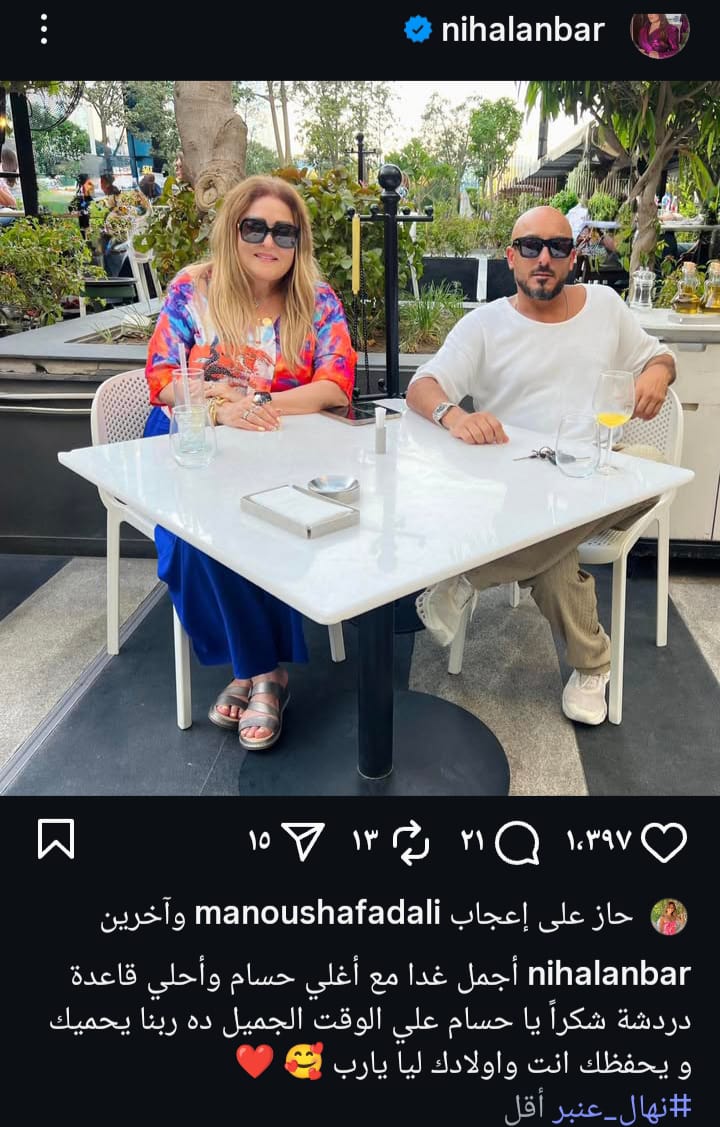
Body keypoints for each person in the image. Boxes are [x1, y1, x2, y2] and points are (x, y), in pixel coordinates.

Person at [406, 206, 676, 726]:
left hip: (603, 466)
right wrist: (453, 415)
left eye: (558, 247)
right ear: (511, 257)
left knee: (653, 468)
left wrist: (657, 374)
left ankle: (467, 578)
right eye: (531, 247)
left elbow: (659, 356)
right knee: (554, 558)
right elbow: (423, 386)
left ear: (573, 257)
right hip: (521, 482)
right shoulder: (485, 325)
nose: (544, 258)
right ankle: (594, 665)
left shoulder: (605, 306)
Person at [144, 175, 356, 750]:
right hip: (195, 440)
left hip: (280, 442)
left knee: (267, 522)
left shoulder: (317, 300)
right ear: (233, 230)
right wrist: (220, 409)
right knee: (195, 538)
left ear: (298, 241)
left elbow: (334, 385)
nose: (269, 242)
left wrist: (254, 404)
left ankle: (248, 671)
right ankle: (265, 672)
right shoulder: (194, 290)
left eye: (284, 232)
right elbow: (162, 379)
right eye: (255, 227)